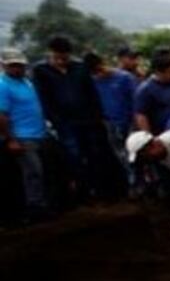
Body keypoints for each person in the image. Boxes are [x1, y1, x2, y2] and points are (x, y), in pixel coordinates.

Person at [31, 36, 114, 199]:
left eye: (65, 57)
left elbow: (92, 93)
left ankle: (99, 190)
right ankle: (82, 192)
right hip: (64, 123)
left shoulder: (79, 68)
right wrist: (55, 120)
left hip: (88, 119)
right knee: (73, 156)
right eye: (57, 57)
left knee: (94, 154)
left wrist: (98, 115)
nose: (61, 61)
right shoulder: (41, 71)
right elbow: (44, 98)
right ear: (50, 54)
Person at [0, 49, 50, 219]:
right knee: (33, 172)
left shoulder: (27, 82)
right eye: (13, 66)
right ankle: (35, 207)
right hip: (22, 136)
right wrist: (11, 139)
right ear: (4, 66)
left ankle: (42, 203)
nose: (17, 69)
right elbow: (2, 115)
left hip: (39, 133)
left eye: (20, 65)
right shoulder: (2, 85)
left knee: (41, 171)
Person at [85, 52, 136, 190]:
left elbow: (135, 102)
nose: (99, 73)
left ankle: (144, 182)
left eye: (100, 69)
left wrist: (134, 122)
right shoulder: (94, 82)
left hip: (130, 122)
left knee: (135, 153)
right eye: (95, 72)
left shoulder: (125, 78)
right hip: (110, 123)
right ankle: (132, 183)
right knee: (120, 154)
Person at [134, 50, 170, 134]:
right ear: (158, 72)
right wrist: (148, 137)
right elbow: (141, 115)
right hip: (164, 135)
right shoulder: (145, 90)